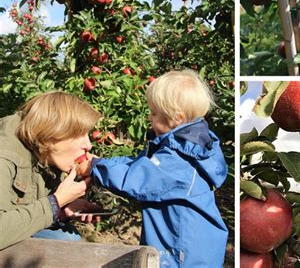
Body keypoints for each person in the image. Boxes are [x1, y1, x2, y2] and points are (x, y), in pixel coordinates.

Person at [77, 70, 229, 267]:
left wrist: (96, 168)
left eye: (154, 113)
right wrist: (100, 162)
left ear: (176, 118)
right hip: (185, 248)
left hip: (181, 254)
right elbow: (138, 164)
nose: (150, 118)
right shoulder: (184, 149)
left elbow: (136, 179)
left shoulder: (180, 161)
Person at [0, 91, 102, 250]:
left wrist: (62, 210)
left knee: (67, 237)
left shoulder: (46, 157)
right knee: (64, 241)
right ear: (53, 133)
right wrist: (55, 203)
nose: (88, 145)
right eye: (79, 134)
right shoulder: (4, 156)